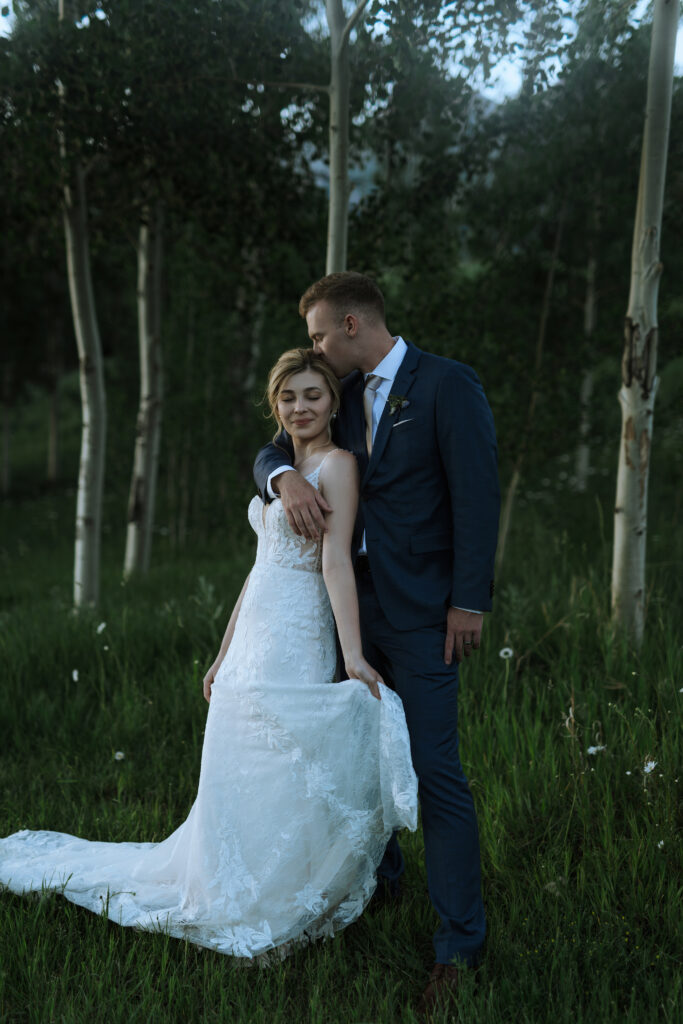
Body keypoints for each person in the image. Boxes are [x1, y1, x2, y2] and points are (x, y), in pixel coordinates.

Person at [0, 349, 418, 961]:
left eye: (313, 396)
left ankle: (283, 891)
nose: (301, 408)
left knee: (286, 763)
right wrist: (223, 654)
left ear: (333, 402)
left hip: (298, 635)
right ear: (275, 405)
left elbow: (335, 564)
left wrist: (352, 655)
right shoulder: (282, 466)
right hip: (254, 634)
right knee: (240, 763)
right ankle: (233, 876)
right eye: (289, 398)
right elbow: (258, 570)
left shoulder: (339, 466)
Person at [254, 271, 500, 1014]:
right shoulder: (336, 389)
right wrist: (281, 483)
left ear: (354, 324)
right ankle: (380, 885)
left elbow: (477, 495)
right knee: (357, 762)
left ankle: (458, 946)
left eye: (323, 332)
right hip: (345, 617)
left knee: (435, 774)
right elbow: (272, 449)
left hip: (426, 615)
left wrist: (468, 603)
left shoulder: (446, 385)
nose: (316, 348)